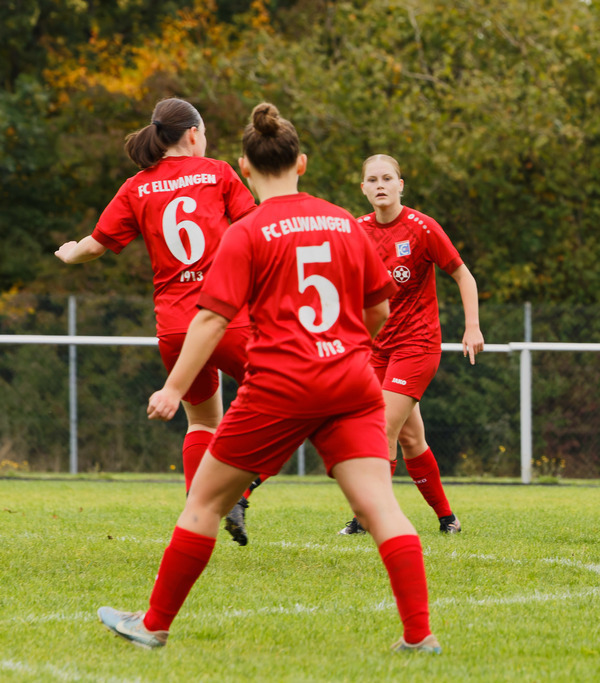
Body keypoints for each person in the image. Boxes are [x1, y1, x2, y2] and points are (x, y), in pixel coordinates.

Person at [97, 102, 441, 653]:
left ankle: (153, 625)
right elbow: (379, 309)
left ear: (244, 167)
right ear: (301, 163)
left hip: (280, 386)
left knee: (204, 505)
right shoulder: (342, 222)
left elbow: (211, 320)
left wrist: (173, 388)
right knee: (381, 507)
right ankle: (419, 636)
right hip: (350, 383)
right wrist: (343, 344)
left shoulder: (247, 232)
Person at [54, 97, 262, 546]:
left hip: (174, 326)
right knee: (283, 400)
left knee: (202, 422)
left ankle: (198, 511)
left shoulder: (137, 186)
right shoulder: (219, 172)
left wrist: (69, 252)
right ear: (193, 134)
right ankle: (239, 490)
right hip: (226, 317)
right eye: (204, 134)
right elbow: (254, 228)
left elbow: (94, 245)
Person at [338, 154, 484, 536]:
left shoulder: (422, 228)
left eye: (388, 178)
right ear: (363, 188)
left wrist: (472, 327)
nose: (380, 185)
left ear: (401, 185)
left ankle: (369, 517)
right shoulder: (357, 231)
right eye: (373, 180)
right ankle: (448, 519)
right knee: (410, 437)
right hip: (378, 349)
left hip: (417, 345)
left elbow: (463, 275)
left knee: (380, 429)